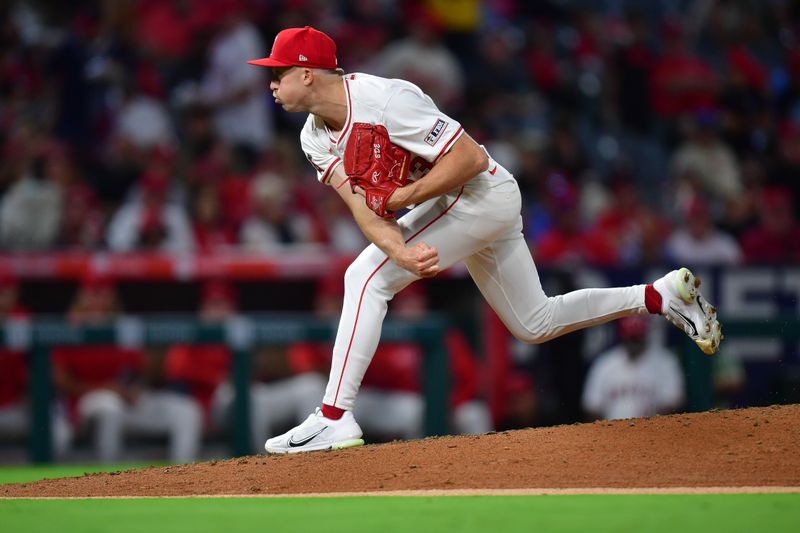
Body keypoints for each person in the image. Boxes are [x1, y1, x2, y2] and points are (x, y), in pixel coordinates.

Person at [247, 26, 722, 454]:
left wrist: (406, 196)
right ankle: (658, 296)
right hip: (463, 205)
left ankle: (333, 416)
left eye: (278, 72)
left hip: (481, 192)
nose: (270, 82)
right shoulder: (314, 137)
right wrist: (401, 251)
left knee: (363, 277)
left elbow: (470, 158)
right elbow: (365, 208)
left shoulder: (384, 100)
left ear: (308, 74)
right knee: (534, 323)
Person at [582, 315, 685, 421]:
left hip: (653, 432)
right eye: (630, 338)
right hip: (613, 433)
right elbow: (592, 407)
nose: (633, 343)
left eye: (637, 339)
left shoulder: (665, 361)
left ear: (645, 336)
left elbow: (672, 403)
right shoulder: (605, 363)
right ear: (622, 337)